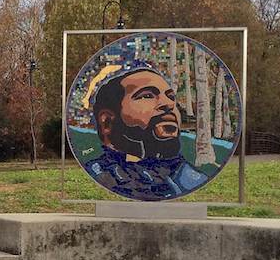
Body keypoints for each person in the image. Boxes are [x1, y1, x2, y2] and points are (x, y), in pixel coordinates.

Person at [83, 65, 207, 200]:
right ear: (107, 121)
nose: (168, 104)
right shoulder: (98, 173)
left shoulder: (194, 179)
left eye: (171, 97)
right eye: (147, 95)